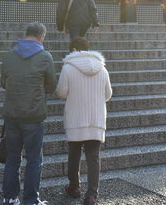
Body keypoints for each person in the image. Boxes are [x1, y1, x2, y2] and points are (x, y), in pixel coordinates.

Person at [0, 22, 56, 205]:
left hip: (12, 115)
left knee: (12, 158)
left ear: (25, 35)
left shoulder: (9, 56)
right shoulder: (45, 57)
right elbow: (51, 87)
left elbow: (3, 83)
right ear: (42, 37)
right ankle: (31, 200)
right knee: (33, 159)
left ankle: (9, 198)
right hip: (34, 115)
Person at [56, 37, 112, 205]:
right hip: (96, 118)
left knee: (74, 154)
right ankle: (91, 195)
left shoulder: (68, 68)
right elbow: (108, 94)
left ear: (73, 49)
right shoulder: (102, 69)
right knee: (93, 157)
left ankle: (74, 187)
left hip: (76, 118)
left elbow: (61, 93)